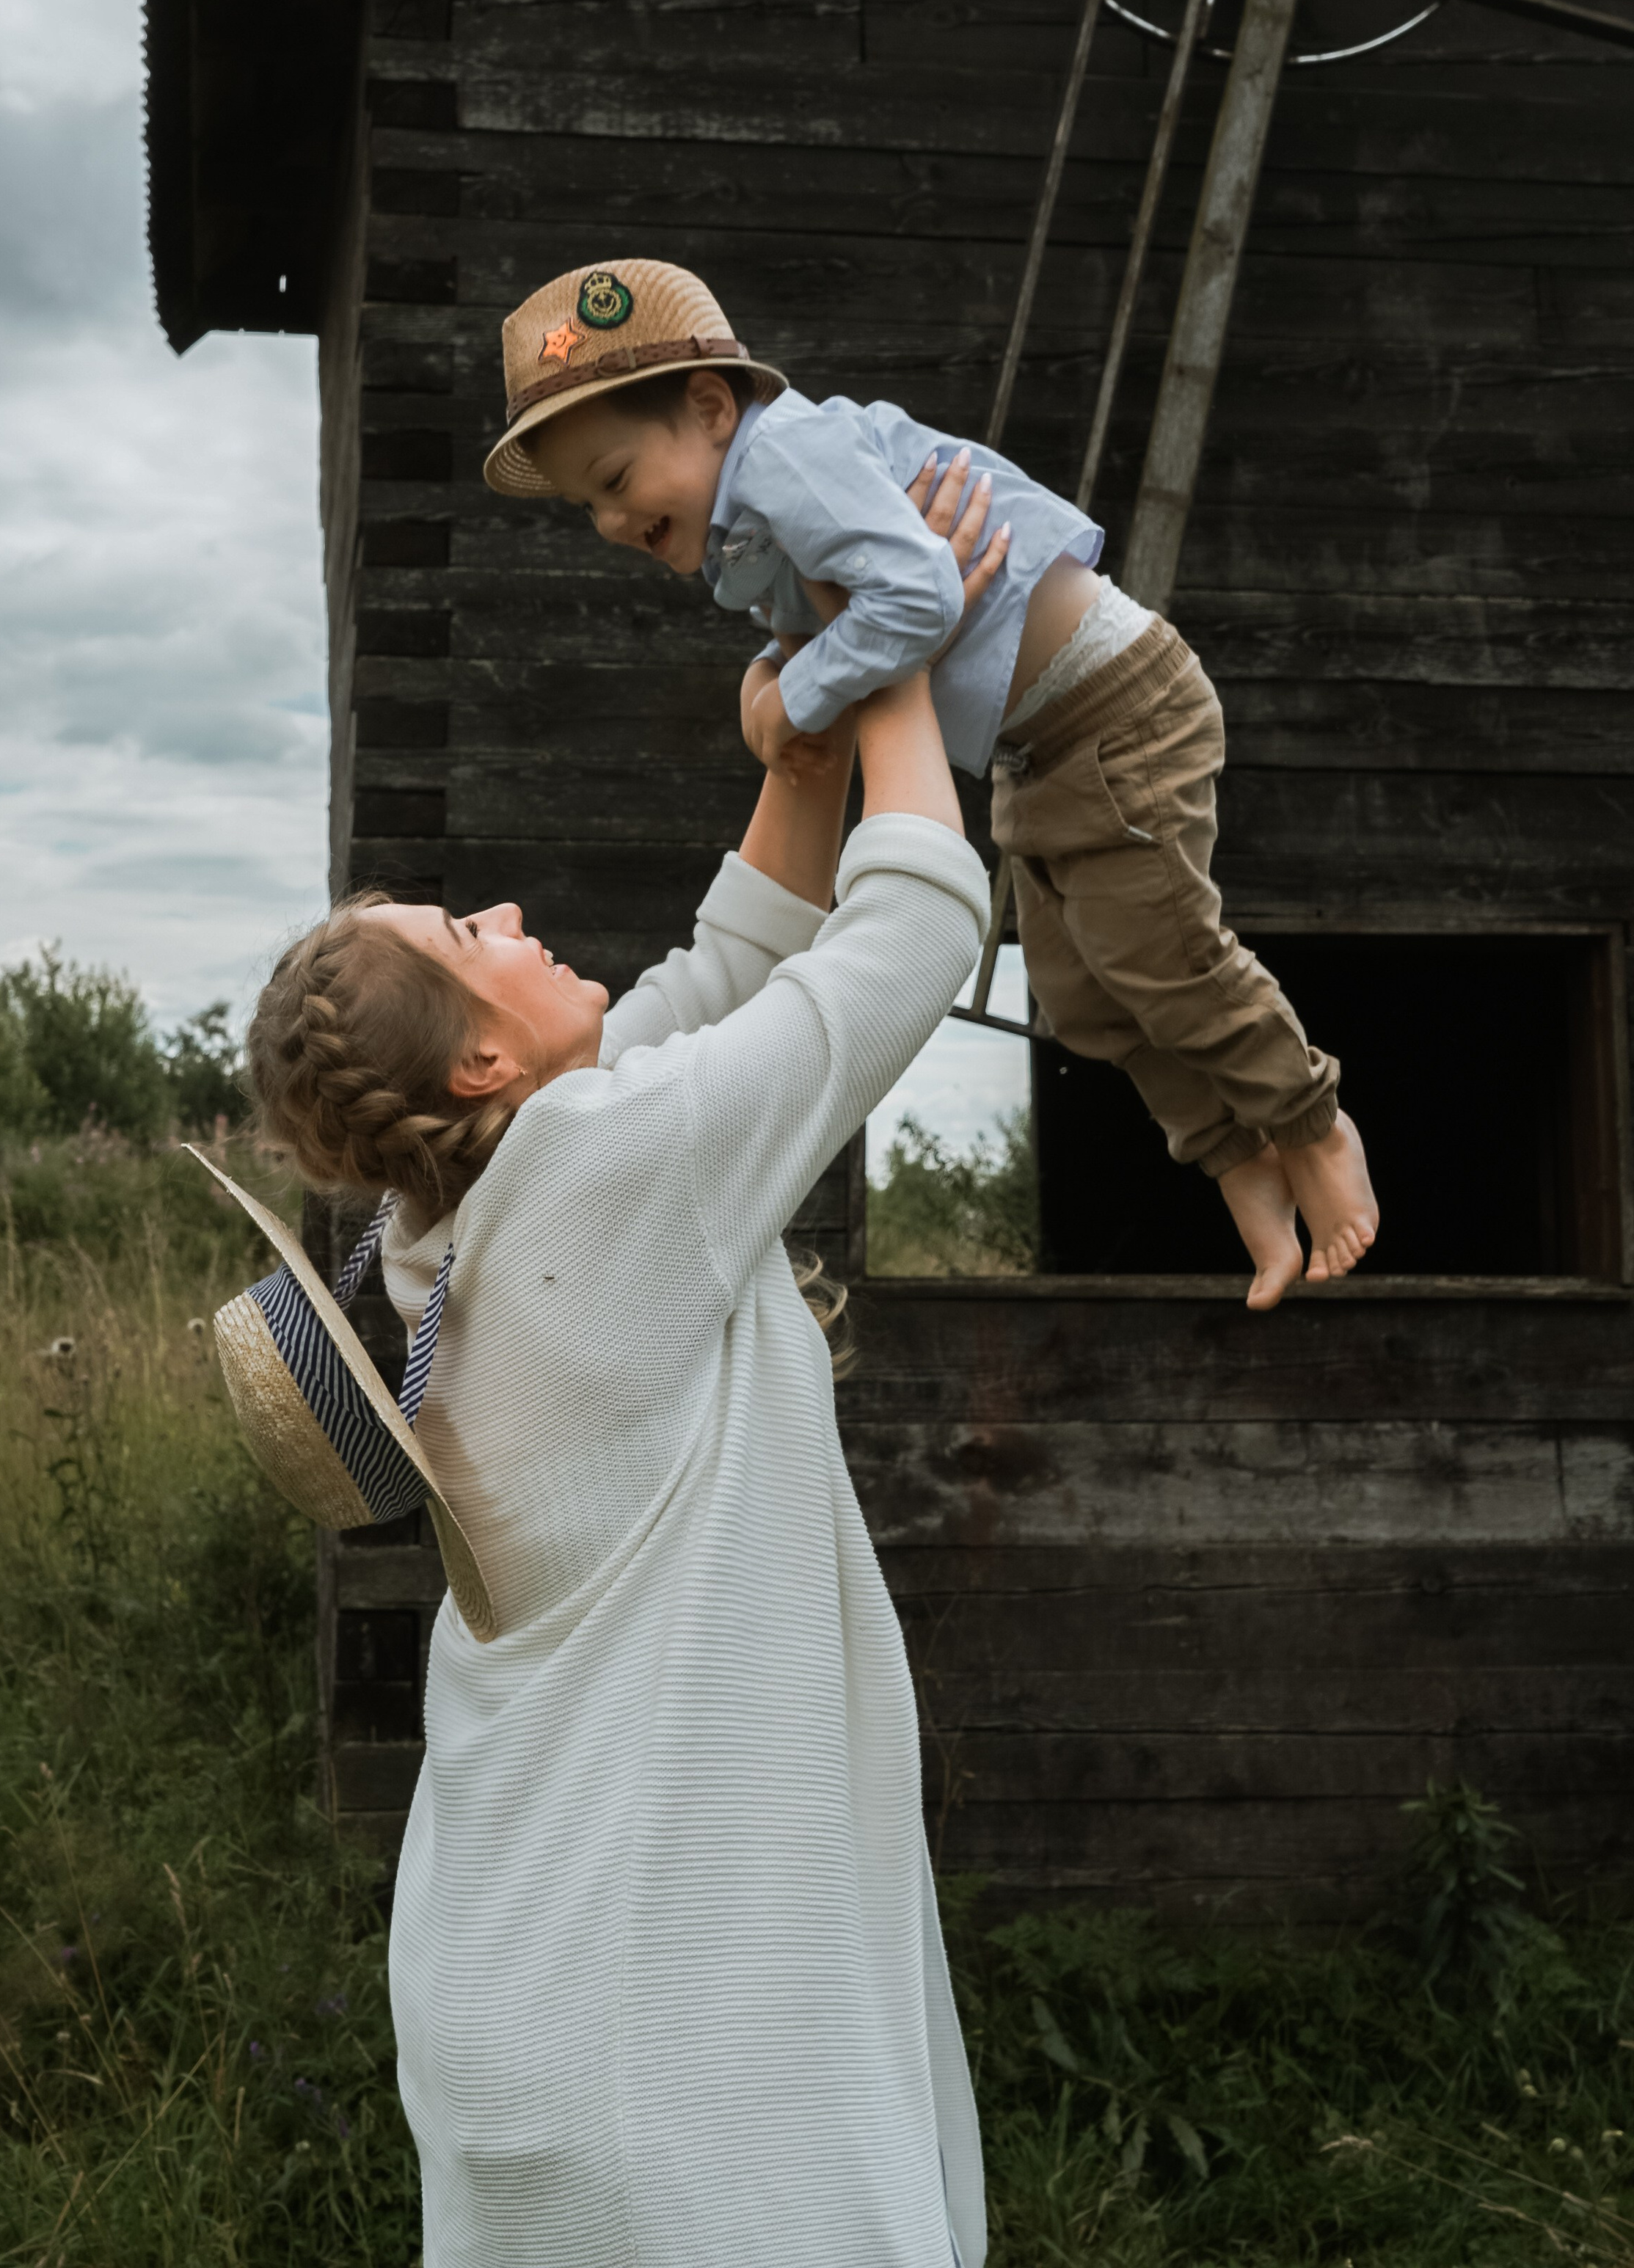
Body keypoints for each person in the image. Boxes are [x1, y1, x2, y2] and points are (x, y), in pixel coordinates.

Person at [246, 464, 1002, 2267]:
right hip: (682, 2064)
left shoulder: (458, 1227)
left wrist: (802, 750)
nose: (505, 915)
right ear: (481, 1073)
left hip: (540, 1990)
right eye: (468, 940)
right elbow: (902, 944)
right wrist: (896, 639)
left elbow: (717, 979)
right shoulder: (591, 1175)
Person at [482, 256, 1379, 1311]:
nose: (610, 523)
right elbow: (839, 624)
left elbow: (913, 597)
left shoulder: (787, 460)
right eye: (591, 504)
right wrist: (771, 678)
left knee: (1163, 954)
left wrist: (792, 692)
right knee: (1087, 998)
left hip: (1114, 708)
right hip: (1038, 747)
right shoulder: (744, 524)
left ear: (714, 408)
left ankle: (1312, 1121)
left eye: (618, 480)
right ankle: (1234, 1157)